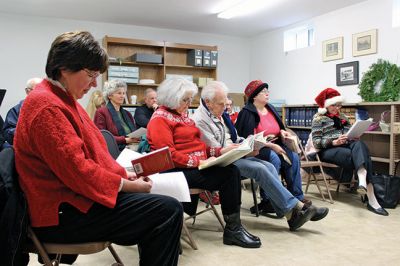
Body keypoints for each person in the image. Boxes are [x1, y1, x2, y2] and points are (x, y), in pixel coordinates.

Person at [14, 31, 183, 265]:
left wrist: (124, 175)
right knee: (166, 211)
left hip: (72, 202)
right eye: (91, 74)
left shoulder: (62, 99)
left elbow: (94, 158)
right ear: (64, 68)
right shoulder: (47, 107)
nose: (95, 83)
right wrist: (126, 184)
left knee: (160, 207)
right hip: (60, 215)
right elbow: (79, 170)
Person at [193, 81, 328, 230]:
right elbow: (217, 150)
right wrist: (243, 149)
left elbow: (236, 137)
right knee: (260, 169)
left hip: (233, 154)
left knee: (269, 166)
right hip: (220, 161)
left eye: (226, 103)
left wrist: (250, 144)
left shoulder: (219, 113)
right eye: (221, 104)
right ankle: (297, 207)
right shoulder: (200, 120)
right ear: (208, 102)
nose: (226, 107)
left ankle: (291, 215)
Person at [147, 78, 261, 248]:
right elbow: (168, 155)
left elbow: (197, 146)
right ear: (172, 98)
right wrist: (200, 162)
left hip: (190, 166)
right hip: (173, 171)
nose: (189, 103)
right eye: (185, 100)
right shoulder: (159, 119)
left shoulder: (182, 116)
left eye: (189, 99)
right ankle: (233, 230)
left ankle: (234, 228)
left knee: (231, 171)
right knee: (230, 174)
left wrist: (219, 152)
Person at [235, 80, 310, 214]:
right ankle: (268, 200)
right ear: (254, 96)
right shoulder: (246, 112)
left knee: (293, 157)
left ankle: (297, 197)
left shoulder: (270, 108)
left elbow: (279, 127)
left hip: (276, 143)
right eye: (263, 91)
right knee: (273, 158)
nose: (267, 93)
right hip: (258, 148)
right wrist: (269, 145)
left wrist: (282, 132)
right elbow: (247, 139)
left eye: (267, 91)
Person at [312, 88, 388, 216]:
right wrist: (334, 141)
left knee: (359, 144)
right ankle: (370, 195)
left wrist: (353, 135)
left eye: (339, 105)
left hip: (346, 146)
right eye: (334, 105)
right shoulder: (318, 119)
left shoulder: (343, 117)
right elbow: (316, 142)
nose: (337, 108)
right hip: (328, 151)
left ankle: (364, 182)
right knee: (364, 156)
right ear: (326, 105)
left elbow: (348, 132)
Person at [94, 80, 139, 150]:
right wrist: (125, 140)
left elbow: (134, 132)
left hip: (132, 148)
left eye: (124, 93)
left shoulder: (128, 114)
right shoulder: (101, 112)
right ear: (109, 95)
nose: (122, 96)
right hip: (114, 151)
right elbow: (102, 136)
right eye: (119, 93)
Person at [3, 78, 42, 145]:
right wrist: (28, 132)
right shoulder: (16, 110)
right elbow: (8, 134)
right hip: (24, 149)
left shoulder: (50, 108)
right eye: (37, 90)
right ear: (27, 91)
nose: (41, 94)